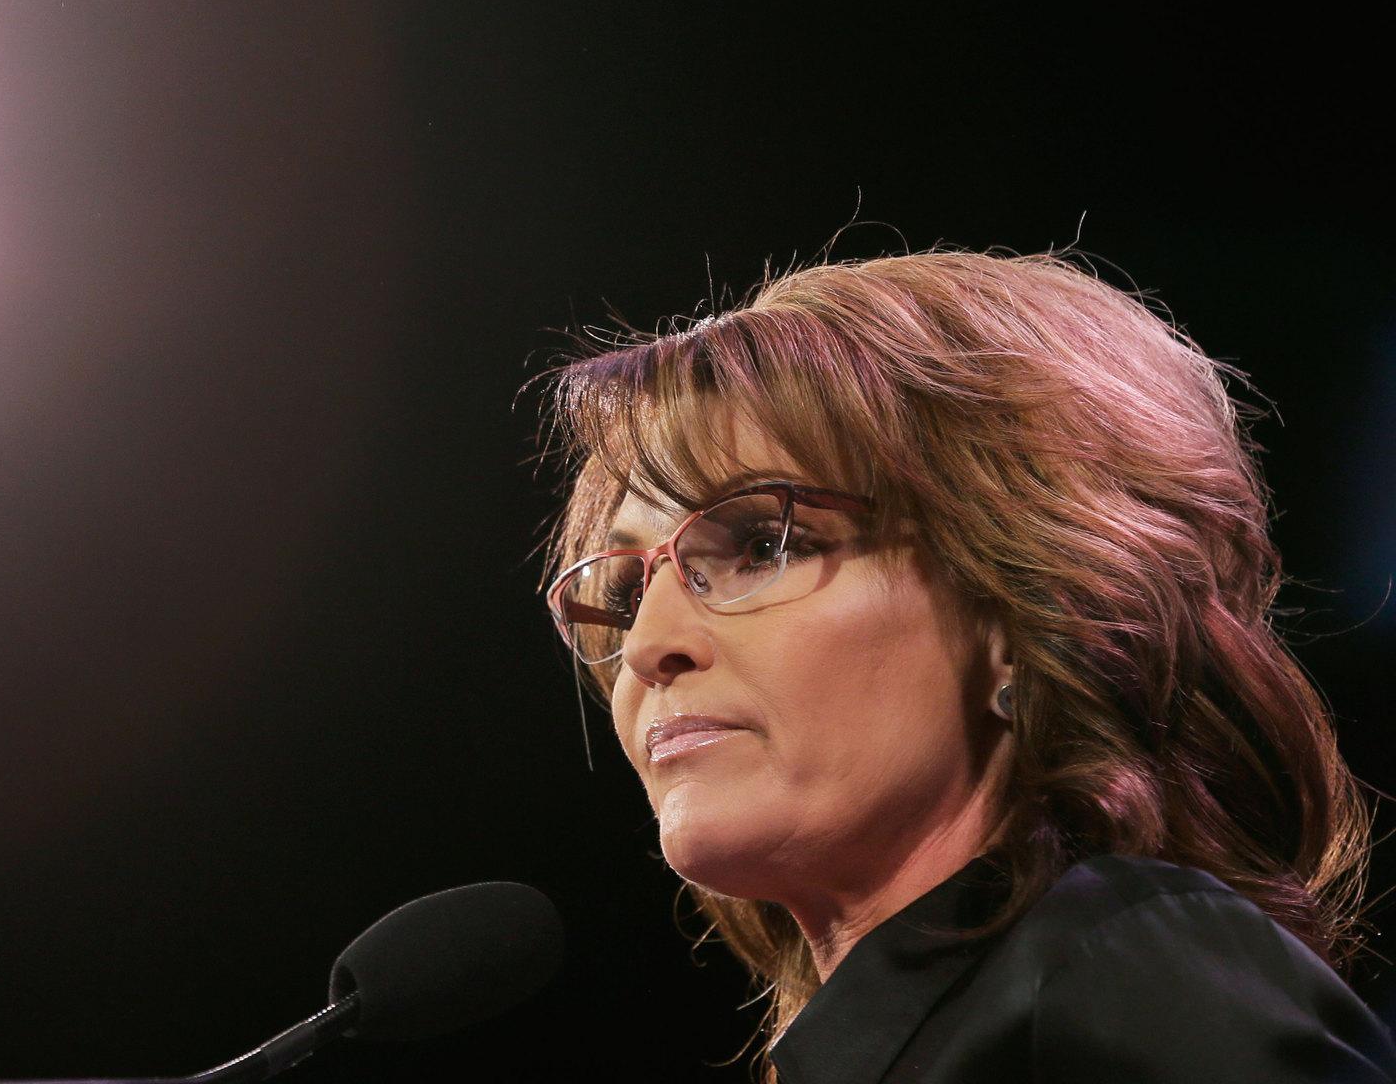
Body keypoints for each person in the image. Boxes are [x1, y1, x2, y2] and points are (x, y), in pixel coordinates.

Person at [538, 250, 1395, 1083]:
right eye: (623, 593)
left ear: (1026, 611)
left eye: (764, 545)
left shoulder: (1121, 969)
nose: (649, 645)